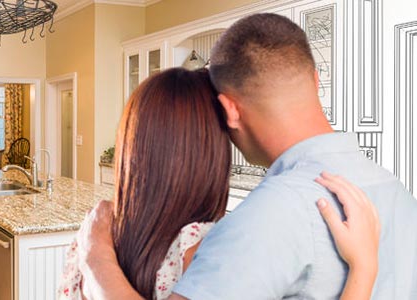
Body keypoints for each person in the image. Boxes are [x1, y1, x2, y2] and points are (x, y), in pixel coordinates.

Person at [75, 13, 417, 299]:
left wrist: (95, 256)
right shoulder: (396, 192)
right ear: (315, 80)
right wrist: (363, 269)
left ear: (229, 110)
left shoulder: (267, 217)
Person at [57, 67, 379, 300]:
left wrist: (95, 254)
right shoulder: (209, 246)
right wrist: (363, 269)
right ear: (211, 152)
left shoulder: (93, 236)